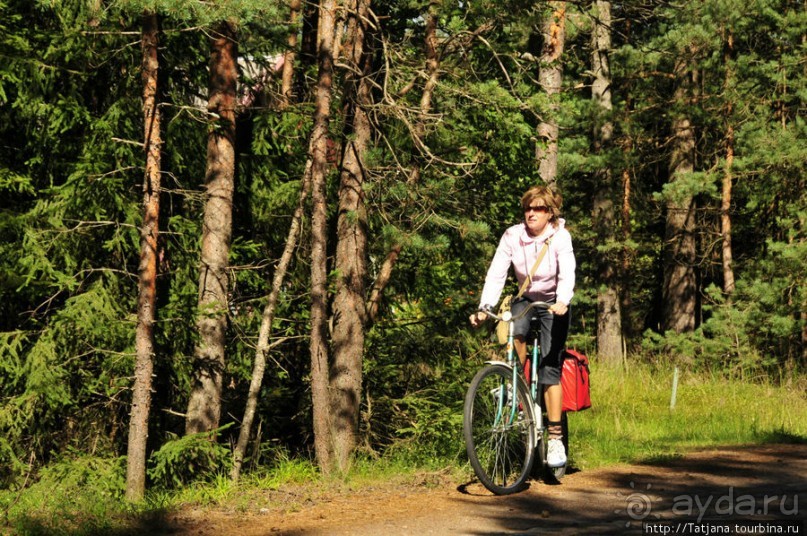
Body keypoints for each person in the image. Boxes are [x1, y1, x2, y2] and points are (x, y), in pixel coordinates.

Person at [469, 185, 576, 467]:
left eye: (538, 208)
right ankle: (515, 389)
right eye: (528, 208)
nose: (531, 213)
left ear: (550, 213)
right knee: (514, 332)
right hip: (525, 299)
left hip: (554, 303)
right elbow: (496, 272)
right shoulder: (512, 236)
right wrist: (485, 307)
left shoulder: (560, 237)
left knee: (550, 370)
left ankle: (554, 440)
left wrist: (563, 300)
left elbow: (568, 271)